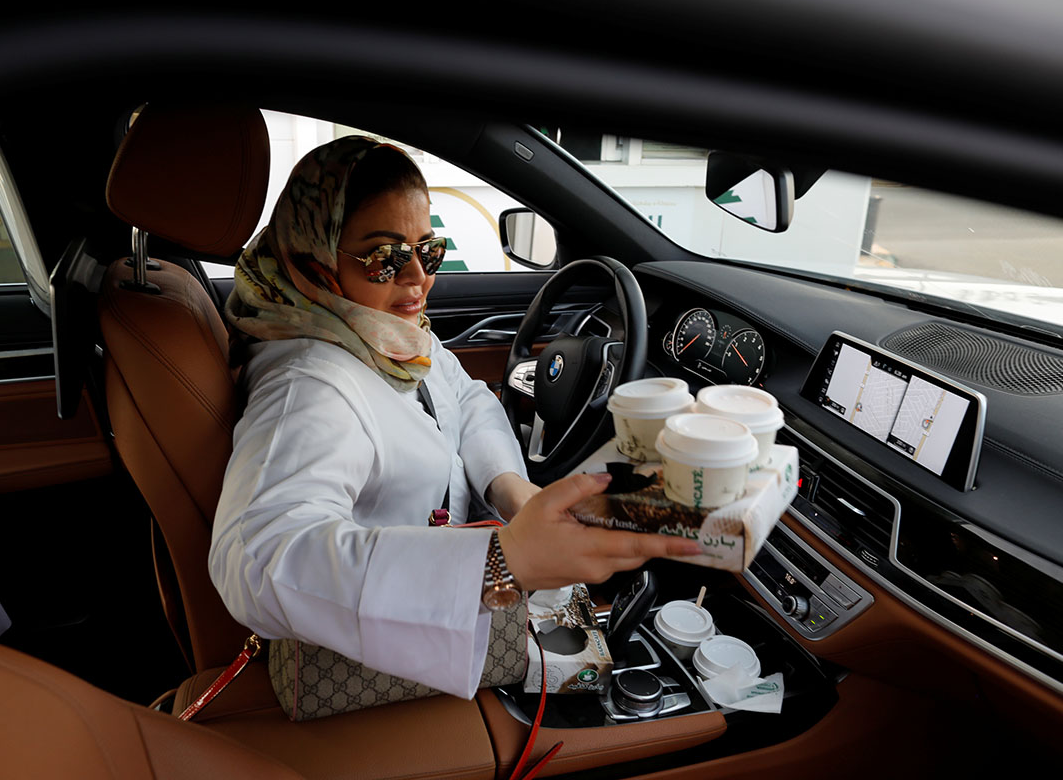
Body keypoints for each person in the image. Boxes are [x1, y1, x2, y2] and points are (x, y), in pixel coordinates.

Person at [209, 135, 699, 699]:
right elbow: (259, 556)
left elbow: (464, 399)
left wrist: (514, 491)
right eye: (384, 257)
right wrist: (503, 561)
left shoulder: (378, 330)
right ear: (314, 258)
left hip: (460, 594)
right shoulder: (310, 385)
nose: (417, 277)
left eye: (428, 249)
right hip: (390, 654)